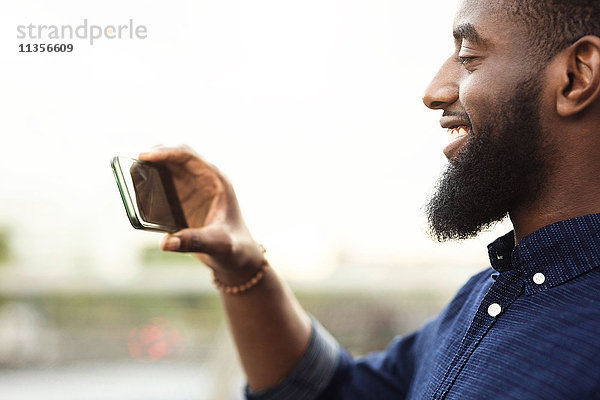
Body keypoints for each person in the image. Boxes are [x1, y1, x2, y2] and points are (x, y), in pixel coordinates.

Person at [139, 0, 600, 398]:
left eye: (469, 57)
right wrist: (242, 267)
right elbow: (331, 392)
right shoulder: (486, 295)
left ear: (576, 76)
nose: (434, 92)